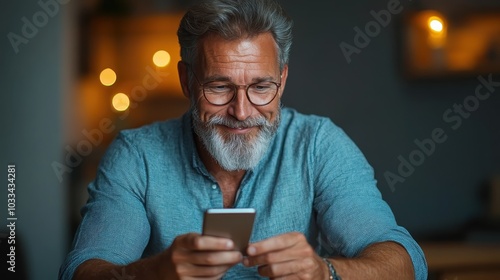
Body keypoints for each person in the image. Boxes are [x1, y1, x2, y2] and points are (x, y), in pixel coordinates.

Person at [59, 0, 427, 279]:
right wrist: (152, 273)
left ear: (281, 81)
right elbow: (83, 270)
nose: (241, 111)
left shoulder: (318, 145)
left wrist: (326, 272)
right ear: (187, 81)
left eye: (261, 87)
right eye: (219, 87)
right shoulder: (137, 156)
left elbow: (406, 260)